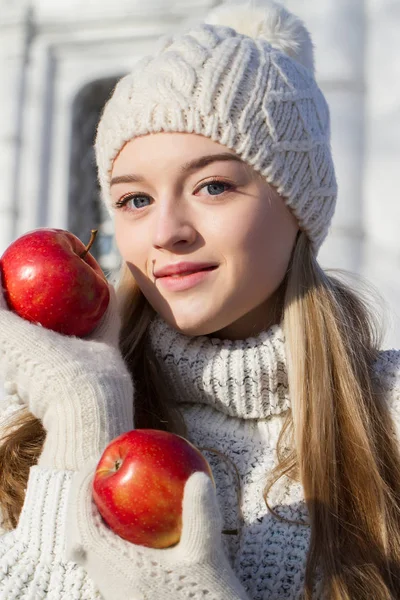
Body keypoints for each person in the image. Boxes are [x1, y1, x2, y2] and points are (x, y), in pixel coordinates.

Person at [0, 1, 399, 598]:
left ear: (299, 208)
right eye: (135, 200)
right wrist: (88, 414)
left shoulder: (387, 423)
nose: (167, 232)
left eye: (212, 185)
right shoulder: (27, 428)